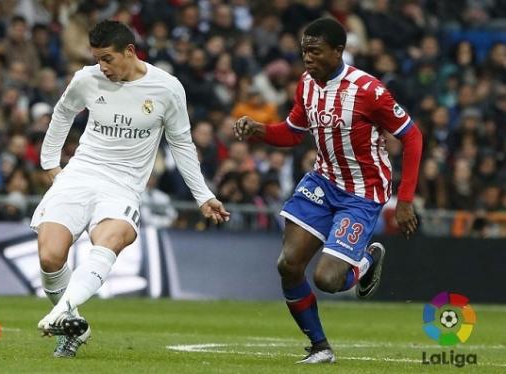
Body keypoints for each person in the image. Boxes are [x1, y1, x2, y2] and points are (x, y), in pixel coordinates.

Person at [31, 20, 230, 358]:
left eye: (108, 58)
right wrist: (50, 162)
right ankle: (73, 320)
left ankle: (60, 313)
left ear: (130, 52)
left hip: (123, 185)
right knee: (50, 257)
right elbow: (63, 113)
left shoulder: (167, 89)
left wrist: (202, 195)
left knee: (109, 238)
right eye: (97, 59)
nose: (102, 67)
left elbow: (181, 143)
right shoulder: (86, 79)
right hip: (81, 173)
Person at [233, 18, 422, 364]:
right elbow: (293, 131)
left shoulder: (368, 90)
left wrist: (405, 199)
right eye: (304, 51)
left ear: (338, 51)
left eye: (315, 51)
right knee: (289, 265)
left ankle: (365, 261)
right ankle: (320, 346)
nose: (307, 58)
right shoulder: (305, 84)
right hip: (323, 182)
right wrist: (260, 129)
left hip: (362, 193)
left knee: (328, 279)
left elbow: (412, 136)